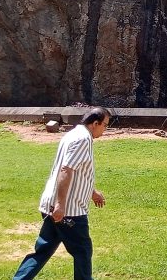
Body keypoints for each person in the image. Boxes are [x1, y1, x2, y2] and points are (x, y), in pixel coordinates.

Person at [12, 107, 111, 280]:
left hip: (53, 206)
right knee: (82, 252)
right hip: (69, 212)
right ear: (95, 123)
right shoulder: (82, 139)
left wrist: (92, 192)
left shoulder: (73, 134)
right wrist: (60, 205)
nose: (105, 129)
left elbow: (77, 172)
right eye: (105, 125)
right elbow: (66, 170)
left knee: (43, 251)